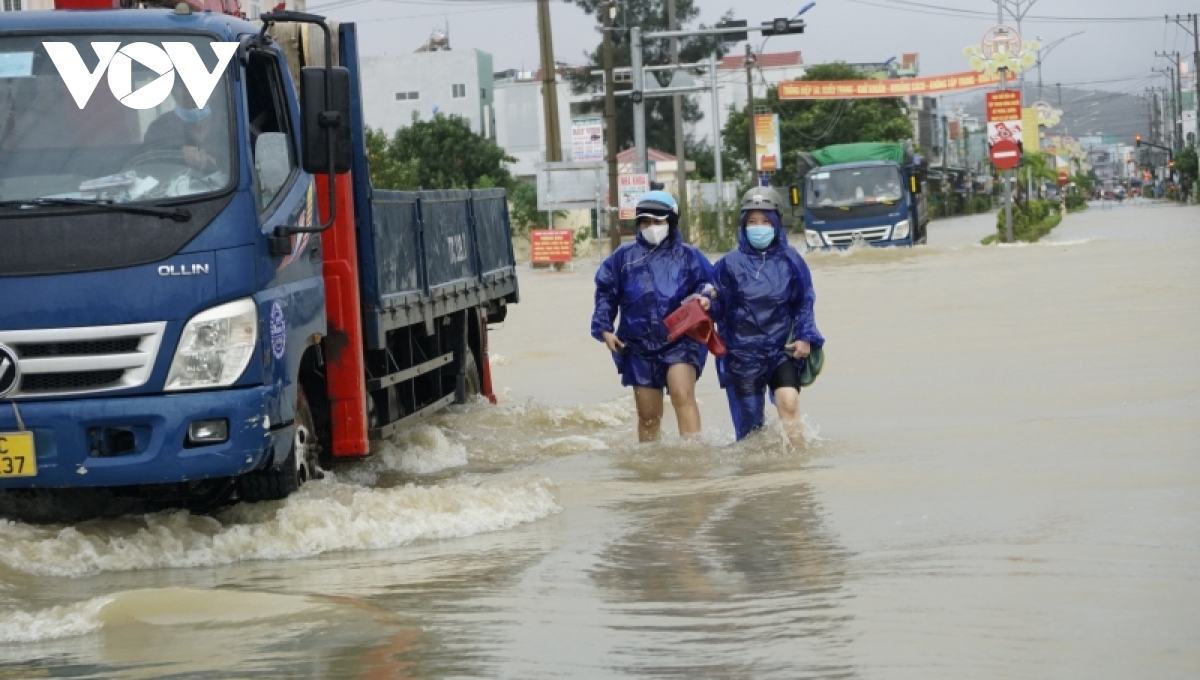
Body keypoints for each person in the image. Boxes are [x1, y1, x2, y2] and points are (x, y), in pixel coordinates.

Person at [591, 191, 716, 442]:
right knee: (648, 416)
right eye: (645, 221)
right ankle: (650, 471)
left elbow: (711, 282)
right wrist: (605, 329)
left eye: (658, 221)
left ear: (671, 222)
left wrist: (706, 297)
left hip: (681, 339)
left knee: (682, 394)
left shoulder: (689, 255)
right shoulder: (623, 258)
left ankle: (693, 461)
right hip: (638, 345)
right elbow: (606, 292)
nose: (651, 227)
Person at [712, 188, 824, 442]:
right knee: (750, 432)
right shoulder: (728, 264)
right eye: (752, 222)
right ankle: (756, 478)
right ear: (743, 224)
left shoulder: (791, 260)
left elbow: (804, 300)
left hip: (780, 349)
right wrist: (708, 303)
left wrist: (805, 336)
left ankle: (798, 464)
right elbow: (716, 305)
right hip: (741, 356)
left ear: (776, 223)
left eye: (765, 221)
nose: (759, 227)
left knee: (790, 402)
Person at [141, 77, 226, 175]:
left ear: (213, 91)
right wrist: (179, 153)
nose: (188, 92)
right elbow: (148, 167)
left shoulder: (229, 124)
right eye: (180, 85)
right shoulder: (158, 128)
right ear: (172, 92)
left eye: (196, 84)